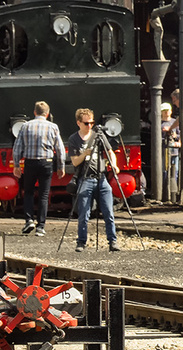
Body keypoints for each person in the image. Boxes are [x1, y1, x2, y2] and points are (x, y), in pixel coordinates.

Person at [67, 107, 119, 253]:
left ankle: (112, 241)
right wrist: (85, 153)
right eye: (86, 123)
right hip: (86, 178)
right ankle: (81, 242)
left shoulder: (99, 136)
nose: (89, 126)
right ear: (79, 123)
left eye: (91, 123)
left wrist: (114, 164)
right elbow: (75, 162)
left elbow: (110, 152)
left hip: (101, 178)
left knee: (109, 212)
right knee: (84, 213)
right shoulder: (73, 139)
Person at [12, 101, 67, 237]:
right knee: (43, 194)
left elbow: (17, 148)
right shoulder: (53, 127)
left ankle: (29, 220)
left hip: (30, 163)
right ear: (47, 114)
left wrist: (17, 165)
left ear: (34, 112)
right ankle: (41, 227)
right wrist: (61, 166)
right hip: (46, 163)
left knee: (29, 192)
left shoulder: (25, 126)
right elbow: (60, 149)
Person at [159, 102, 180, 201]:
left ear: (171, 111)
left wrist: (176, 137)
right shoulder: (158, 124)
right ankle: (164, 195)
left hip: (174, 152)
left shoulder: (175, 122)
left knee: (174, 172)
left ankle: (173, 196)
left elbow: (181, 135)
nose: (166, 112)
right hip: (163, 152)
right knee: (164, 172)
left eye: (168, 110)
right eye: (164, 111)